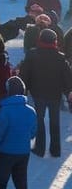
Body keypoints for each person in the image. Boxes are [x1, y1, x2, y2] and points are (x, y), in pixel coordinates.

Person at [19, 28, 72, 158]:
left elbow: (24, 74)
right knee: (55, 122)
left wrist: (23, 91)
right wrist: (68, 92)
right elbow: (67, 78)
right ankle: (55, 150)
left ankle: (40, 148)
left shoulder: (32, 55)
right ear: (55, 41)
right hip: (55, 95)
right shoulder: (60, 57)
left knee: (39, 120)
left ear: (40, 39)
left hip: (38, 94)